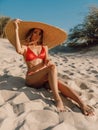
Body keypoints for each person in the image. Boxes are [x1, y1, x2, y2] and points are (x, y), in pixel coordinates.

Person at [9, 19, 94, 115]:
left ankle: (82, 104)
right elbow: (18, 50)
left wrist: (48, 61)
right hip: (32, 78)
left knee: (59, 83)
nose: (37, 35)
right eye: (35, 32)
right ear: (31, 34)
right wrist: (16, 29)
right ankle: (57, 99)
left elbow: (46, 60)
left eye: (40, 34)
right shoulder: (25, 47)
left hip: (44, 78)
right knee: (52, 68)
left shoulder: (44, 47)